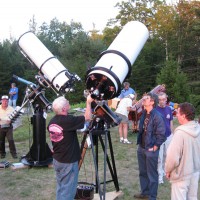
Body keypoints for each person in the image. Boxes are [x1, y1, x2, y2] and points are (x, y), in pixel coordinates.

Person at [47, 95, 93, 200]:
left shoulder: (52, 121)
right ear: (64, 108)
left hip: (58, 159)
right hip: (68, 161)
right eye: (67, 103)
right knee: (68, 191)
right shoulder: (68, 121)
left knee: (61, 187)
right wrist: (88, 102)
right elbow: (88, 118)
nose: (69, 104)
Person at [134, 92, 166, 200]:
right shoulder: (144, 113)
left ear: (152, 101)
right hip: (141, 148)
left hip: (151, 149)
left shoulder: (157, 116)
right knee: (143, 172)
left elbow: (161, 135)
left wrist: (155, 147)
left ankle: (152, 197)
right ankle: (145, 193)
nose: (143, 99)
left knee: (152, 175)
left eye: (146, 98)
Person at [165, 102, 200, 200]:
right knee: (192, 197)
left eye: (178, 113)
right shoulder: (198, 128)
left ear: (183, 116)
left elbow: (172, 157)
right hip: (195, 172)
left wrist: (168, 170)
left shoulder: (180, 133)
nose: (176, 115)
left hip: (181, 175)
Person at [156, 92, 173, 184]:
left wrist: (172, 133)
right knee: (159, 157)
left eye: (164, 99)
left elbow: (170, 121)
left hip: (168, 136)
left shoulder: (169, 109)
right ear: (158, 100)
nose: (162, 101)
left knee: (167, 156)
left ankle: (163, 171)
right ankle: (159, 177)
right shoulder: (155, 110)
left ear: (166, 99)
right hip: (159, 137)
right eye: (160, 100)